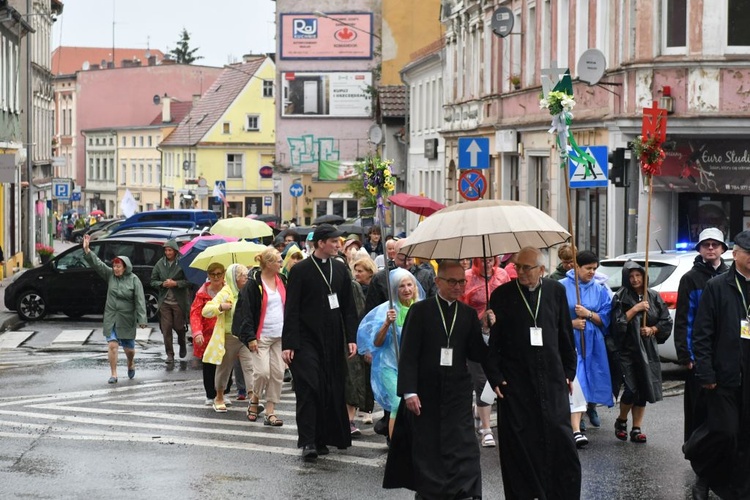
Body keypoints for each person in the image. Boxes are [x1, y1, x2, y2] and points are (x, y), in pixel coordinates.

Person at [383, 260, 493, 499]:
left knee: (462, 444)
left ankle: (464, 489)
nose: (458, 286)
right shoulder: (420, 311)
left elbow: (476, 354)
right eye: (452, 281)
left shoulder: (467, 314)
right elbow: (409, 354)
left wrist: (486, 330)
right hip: (426, 390)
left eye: (461, 281)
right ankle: (430, 491)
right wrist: (409, 391)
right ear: (438, 282)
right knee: (429, 445)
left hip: (457, 390)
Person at [486, 246, 581, 499]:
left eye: (526, 267)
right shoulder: (502, 295)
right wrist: (494, 376)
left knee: (559, 439)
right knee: (520, 443)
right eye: (518, 266)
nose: (521, 272)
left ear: (541, 269)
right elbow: (494, 343)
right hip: (516, 381)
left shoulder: (555, 291)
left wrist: (569, 371)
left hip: (551, 378)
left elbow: (565, 334)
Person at [281, 224, 359, 461]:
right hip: (306, 339)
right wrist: (289, 343)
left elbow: (348, 307)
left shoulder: (340, 268)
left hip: (333, 338)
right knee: (309, 387)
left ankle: (323, 438)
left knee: (329, 388)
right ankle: (307, 441)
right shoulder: (301, 270)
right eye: (334, 241)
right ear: (321, 243)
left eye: (339, 241)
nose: (338, 245)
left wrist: (352, 338)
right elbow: (291, 308)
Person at [684, 230, 750, 500]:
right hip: (724, 375)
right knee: (724, 431)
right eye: (749, 253)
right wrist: (706, 371)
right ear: (735, 254)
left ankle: (740, 489)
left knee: (745, 436)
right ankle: (703, 472)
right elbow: (702, 333)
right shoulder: (718, 286)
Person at [674, 227, 728, 498]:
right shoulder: (690, 279)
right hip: (699, 361)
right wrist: (687, 356)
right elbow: (685, 319)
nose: (710, 248)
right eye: (705, 244)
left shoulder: (732, 278)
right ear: (699, 249)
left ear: (723, 248)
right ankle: (701, 471)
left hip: (727, 361)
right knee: (700, 419)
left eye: (715, 244)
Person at [358, 269, 425, 439]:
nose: (406, 289)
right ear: (395, 289)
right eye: (401, 286)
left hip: (413, 366)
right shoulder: (387, 311)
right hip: (389, 365)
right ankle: (394, 443)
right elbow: (376, 343)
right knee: (397, 403)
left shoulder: (422, 308)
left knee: (416, 404)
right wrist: (387, 323)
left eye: (409, 285)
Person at [611, 261, 673, 443]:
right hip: (627, 350)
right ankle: (622, 420)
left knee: (644, 388)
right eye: (631, 276)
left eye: (638, 275)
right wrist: (635, 309)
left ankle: (636, 427)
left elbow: (666, 321)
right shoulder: (620, 297)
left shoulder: (653, 297)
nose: (635, 279)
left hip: (647, 350)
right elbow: (616, 324)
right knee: (631, 388)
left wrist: (653, 329)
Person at [559, 250, 613, 447]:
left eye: (594, 268)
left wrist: (589, 314)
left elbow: (606, 317)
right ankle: (575, 424)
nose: (592, 272)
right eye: (588, 268)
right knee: (577, 378)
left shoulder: (600, 289)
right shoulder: (562, 287)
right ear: (577, 267)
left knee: (591, 376)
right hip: (570, 340)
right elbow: (554, 316)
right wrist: (572, 323)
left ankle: (587, 408)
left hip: (592, 340)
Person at [82, 234, 147, 384]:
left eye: (118, 266)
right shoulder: (110, 275)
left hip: (127, 319)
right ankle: (114, 374)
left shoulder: (134, 280)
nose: (116, 269)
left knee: (129, 350)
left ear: (125, 267)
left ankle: (130, 362)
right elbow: (97, 264)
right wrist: (87, 250)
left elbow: (140, 300)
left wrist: (142, 319)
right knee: (112, 345)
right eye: (114, 266)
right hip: (111, 317)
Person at [233, 248, 287, 426]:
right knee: (262, 373)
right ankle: (255, 398)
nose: (281, 263)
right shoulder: (253, 284)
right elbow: (246, 312)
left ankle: (270, 411)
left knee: (278, 373)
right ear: (269, 264)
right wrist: (250, 337)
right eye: (278, 261)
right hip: (260, 335)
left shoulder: (282, 280)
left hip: (280, 335)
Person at [460, 256, 509, 448]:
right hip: (475, 333)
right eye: (483, 260)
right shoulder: (468, 277)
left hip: (499, 333)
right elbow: (463, 304)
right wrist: (481, 317)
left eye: (491, 260)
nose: (488, 264)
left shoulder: (502, 275)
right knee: (481, 379)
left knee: (498, 377)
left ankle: (482, 413)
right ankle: (486, 428)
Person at [201, 264, 256, 414]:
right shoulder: (226, 292)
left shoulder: (248, 290)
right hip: (228, 336)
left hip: (244, 337)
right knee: (224, 369)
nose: (246, 278)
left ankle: (253, 400)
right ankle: (219, 397)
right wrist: (221, 307)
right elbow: (206, 310)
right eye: (243, 276)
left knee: (250, 367)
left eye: (246, 275)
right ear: (235, 278)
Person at [190, 262, 231, 405]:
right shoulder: (201, 294)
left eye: (219, 273)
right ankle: (210, 394)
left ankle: (224, 392)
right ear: (208, 275)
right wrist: (197, 332)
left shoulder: (229, 290)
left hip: (225, 332)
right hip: (207, 334)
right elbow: (195, 313)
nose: (216, 277)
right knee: (208, 364)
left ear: (224, 274)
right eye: (213, 274)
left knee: (226, 363)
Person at [365, 239, 437, 314]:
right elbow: (371, 309)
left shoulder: (426, 275)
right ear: (394, 255)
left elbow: (433, 303)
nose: (406, 263)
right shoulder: (381, 278)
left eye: (409, 259)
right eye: (402, 260)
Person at [150, 239, 191, 363]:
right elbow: (153, 281)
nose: (168, 253)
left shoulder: (182, 262)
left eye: (170, 250)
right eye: (166, 250)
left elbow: (189, 281)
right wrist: (162, 284)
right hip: (165, 302)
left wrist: (176, 283)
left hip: (179, 302)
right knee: (166, 328)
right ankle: (170, 354)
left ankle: (182, 342)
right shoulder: (160, 264)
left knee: (179, 327)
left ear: (175, 251)